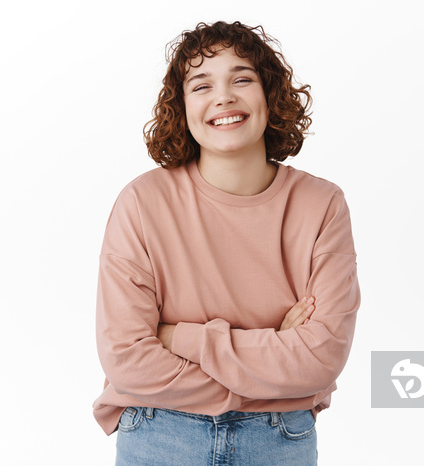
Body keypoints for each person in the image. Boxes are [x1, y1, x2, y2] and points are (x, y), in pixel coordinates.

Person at [92, 20, 360, 465]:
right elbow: (126, 359)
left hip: (278, 440)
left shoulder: (322, 205)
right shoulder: (142, 202)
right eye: (201, 85)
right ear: (182, 107)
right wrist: (272, 357)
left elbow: (320, 358)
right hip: (161, 435)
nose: (224, 97)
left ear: (269, 95)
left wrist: (179, 337)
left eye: (242, 78)